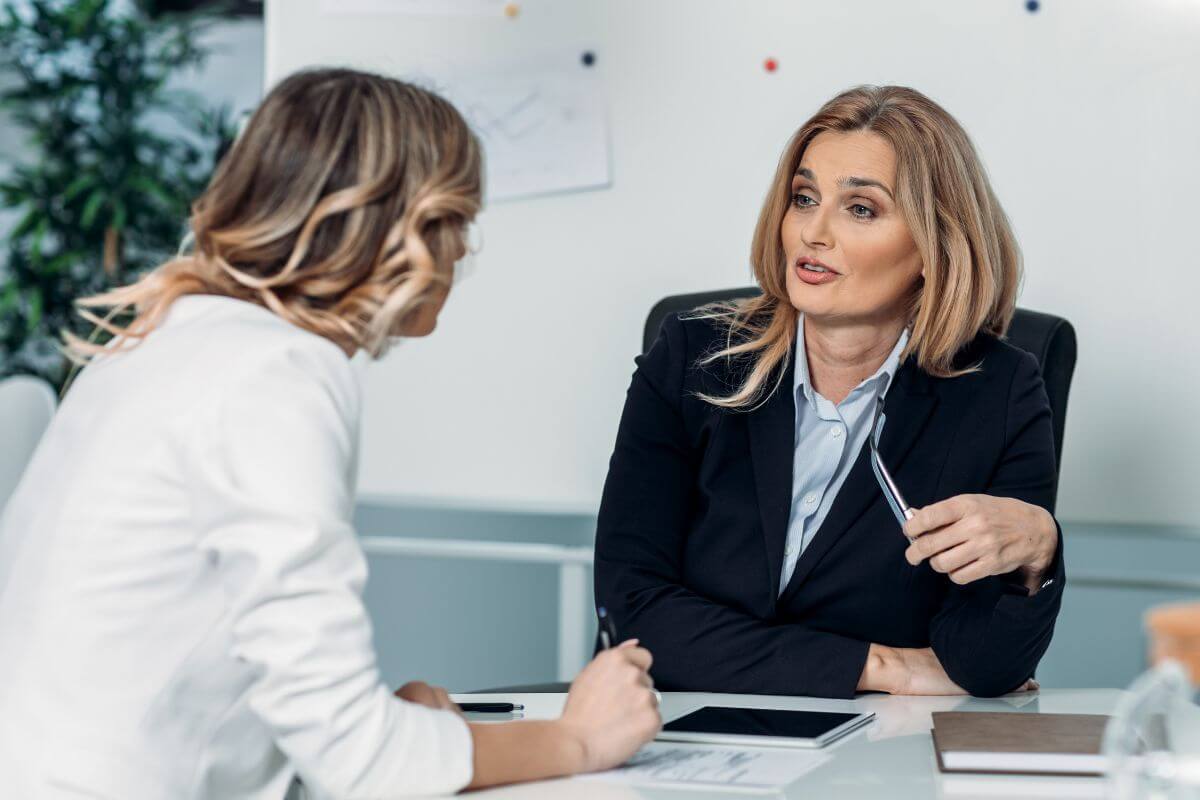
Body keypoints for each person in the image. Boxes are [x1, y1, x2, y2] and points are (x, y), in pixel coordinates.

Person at [0, 68, 660, 799]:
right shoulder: (276, 375)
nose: (463, 254)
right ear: (410, 227)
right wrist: (579, 738)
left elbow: (284, 703)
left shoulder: (164, 341)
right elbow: (360, 763)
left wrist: (407, 732)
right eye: (460, 221)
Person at [593, 85, 1064, 700]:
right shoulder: (693, 356)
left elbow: (980, 667)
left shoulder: (999, 392)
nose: (813, 232)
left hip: (877, 748)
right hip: (673, 726)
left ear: (936, 246)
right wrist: (882, 667)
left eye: (860, 209)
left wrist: (1038, 552)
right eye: (804, 198)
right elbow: (632, 612)